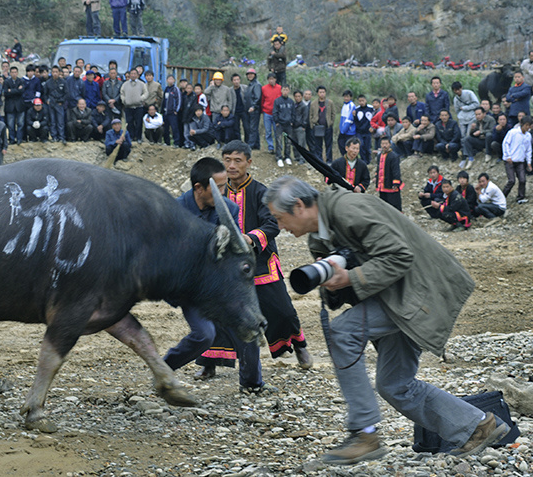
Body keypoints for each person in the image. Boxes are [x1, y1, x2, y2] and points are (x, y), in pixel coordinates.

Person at [266, 175, 510, 465]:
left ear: (299, 206)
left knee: (342, 331)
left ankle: (364, 435)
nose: (280, 228)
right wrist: (334, 284)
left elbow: (398, 255)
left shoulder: (348, 209)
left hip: (418, 293)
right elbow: (351, 284)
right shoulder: (320, 235)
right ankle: (478, 426)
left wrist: (351, 276)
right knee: (396, 385)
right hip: (393, 297)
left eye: (280, 219)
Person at [196, 140, 312, 384]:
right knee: (217, 311)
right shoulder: (216, 192)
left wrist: (250, 239)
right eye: (227, 160)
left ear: (249, 162)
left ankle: (298, 344)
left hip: (260, 261)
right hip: (227, 265)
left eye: (237, 160)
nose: (231, 165)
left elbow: (272, 224)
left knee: (280, 308)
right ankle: (209, 362)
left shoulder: (262, 192)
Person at [163, 158, 239, 372]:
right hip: (189, 286)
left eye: (225, 186)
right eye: (219, 187)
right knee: (204, 334)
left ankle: (253, 383)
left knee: (248, 325)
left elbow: (234, 251)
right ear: (199, 188)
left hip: (219, 283)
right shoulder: (175, 211)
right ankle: (164, 369)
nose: (224, 192)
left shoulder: (230, 210)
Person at [501, 116, 532, 204]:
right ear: (522, 124)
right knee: (511, 180)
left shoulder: (528, 136)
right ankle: (502, 197)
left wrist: (529, 162)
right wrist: (508, 156)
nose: (527, 127)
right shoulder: (513, 132)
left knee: (522, 180)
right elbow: (506, 143)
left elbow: (528, 150)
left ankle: (520, 197)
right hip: (510, 160)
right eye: (526, 125)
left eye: (529, 125)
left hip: (520, 161)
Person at [374, 136, 403, 211]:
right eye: (382, 143)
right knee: (384, 204)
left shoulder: (394, 156)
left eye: (386, 143)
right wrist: (376, 177)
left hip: (390, 184)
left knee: (394, 204)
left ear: (390, 144)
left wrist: (396, 183)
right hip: (382, 184)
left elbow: (396, 171)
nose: (384, 145)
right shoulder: (379, 155)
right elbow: (378, 168)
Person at [309, 85, 335, 163]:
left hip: (327, 127)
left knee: (328, 145)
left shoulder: (330, 103)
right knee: (318, 145)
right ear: (317, 93)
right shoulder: (313, 103)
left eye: (323, 92)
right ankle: (319, 161)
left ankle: (329, 161)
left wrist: (331, 123)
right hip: (317, 127)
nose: (322, 94)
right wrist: (312, 125)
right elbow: (310, 115)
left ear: (325, 93)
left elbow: (333, 114)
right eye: (320, 92)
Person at [120, 69, 147, 141]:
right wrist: (124, 100)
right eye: (131, 74)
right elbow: (122, 93)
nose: (133, 75)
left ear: (137, 75)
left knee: (139, 123)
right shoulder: (125, 84)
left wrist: (141, 98)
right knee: (129, 123)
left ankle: (138, 137)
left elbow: (146, 93)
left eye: (135, 74)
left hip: (139, 107)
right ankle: (131, 137)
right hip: (128, 107)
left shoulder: (142, 84)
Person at [272, 84, 295, 166]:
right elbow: (275, 112)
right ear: (281, 90)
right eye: (284, 89)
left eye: (287, 89)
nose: (285, 91)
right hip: (280, 124)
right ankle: (279, 157)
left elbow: (293, 113)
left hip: (288, 124)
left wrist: (292, 121)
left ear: (289, 91)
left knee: (288, 141)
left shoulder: (291, 102)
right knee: (278, 141)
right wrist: (277, 121)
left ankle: (287, 157)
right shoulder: (277, 101)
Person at [260, 73, 281, 154]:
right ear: (268, 80)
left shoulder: (279, 88)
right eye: (270, 79)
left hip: (277, 114)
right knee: (268, 131)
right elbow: (262, 100)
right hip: (267, 113)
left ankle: (278, 147)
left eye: (273, 79)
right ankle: (270, 147)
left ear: (275, 79)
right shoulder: (264, 88)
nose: (271, 80)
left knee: (277, 132)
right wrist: (262, 110)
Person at [243, 69, 262, 150]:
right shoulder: (250, 85)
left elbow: (258, 97)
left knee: (252, 128)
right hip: (248, 109)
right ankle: (256, 145)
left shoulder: (257, 85)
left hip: (254, 110)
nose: (250, 76)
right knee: (252, 128)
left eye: (251, 74)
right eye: (248, 74)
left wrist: (253, 106)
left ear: (255, 75)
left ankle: (250, 145)